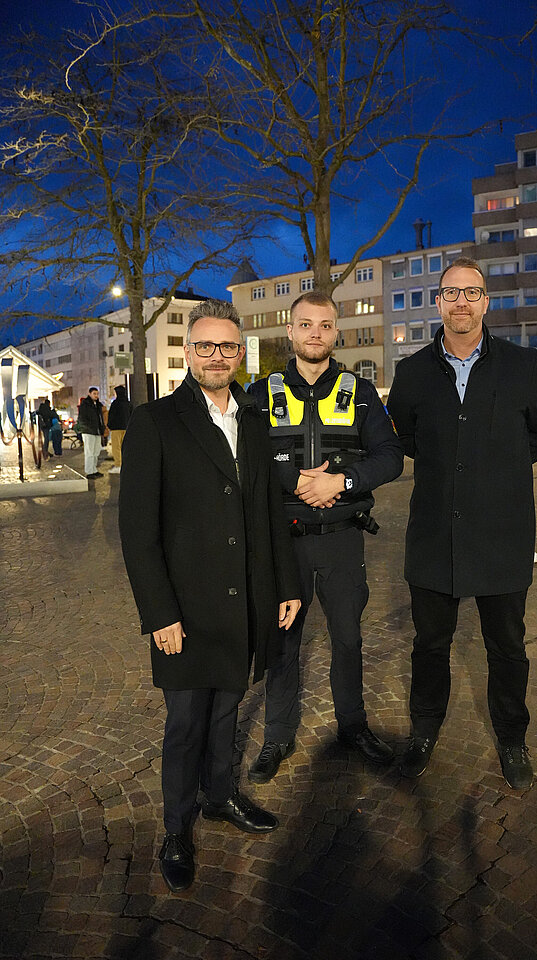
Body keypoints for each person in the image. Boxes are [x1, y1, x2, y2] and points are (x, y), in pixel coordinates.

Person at [119, 298, 300, 893]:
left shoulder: (252, 419)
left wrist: (285, 587)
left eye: (227, 347)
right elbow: (137, 531)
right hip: (187, 608)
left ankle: (220, 797)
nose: (217, 356)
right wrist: (159, 614)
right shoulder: (156, 422)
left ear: (240, 354)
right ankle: (177, 827)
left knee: (226, 711)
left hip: (244, 600)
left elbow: (269, 513)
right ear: (189, 354)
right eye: (205, 347)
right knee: (186, 723)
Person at [387, 257, 537, 790]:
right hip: (434, 535)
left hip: (502, 534)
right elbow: (406, 439)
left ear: (486, 302)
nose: (461, 302)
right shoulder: (413, 371)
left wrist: (500, 465)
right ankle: (424, 732)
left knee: (507, 647)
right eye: (450, 293)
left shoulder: (522, 365)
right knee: (429, 645)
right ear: (437, 303)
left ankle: (512, 737)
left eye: (472, 292)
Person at [246, 291, 404, 783]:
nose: (315, 333)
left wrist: (341, 481)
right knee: (282, 642)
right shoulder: (258, 393)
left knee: (348, 639)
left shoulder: (360, 392)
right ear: (289, 332)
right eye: (305, 324)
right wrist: (292, 481)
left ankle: (353, 727)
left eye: (325, 325)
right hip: (283, 541)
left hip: (341, 538)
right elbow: (244, 456)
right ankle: (277, 736)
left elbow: (390, 456)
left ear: (336, 333)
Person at [76, 387, 106, 478]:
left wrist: (101, 428)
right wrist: (86, 427)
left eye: (97, 394)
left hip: (96, 431)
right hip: (88, 431)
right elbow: (82, 418)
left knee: (96, 451)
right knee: (89, 452)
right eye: (94, 393)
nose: (96, 395)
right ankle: (89, 471)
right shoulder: (85, 404)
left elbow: (100, 418)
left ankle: (94, 469)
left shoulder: (97, 405)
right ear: (89, 394)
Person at [106, 384, 133, 474]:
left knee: (116, 448)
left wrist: (109, 425)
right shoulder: (128, 403)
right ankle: (126, 465)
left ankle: (118, 465)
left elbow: (111, 416)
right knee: (125, 447)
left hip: (116, 428)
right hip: (127, 428)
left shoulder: (115, 404)